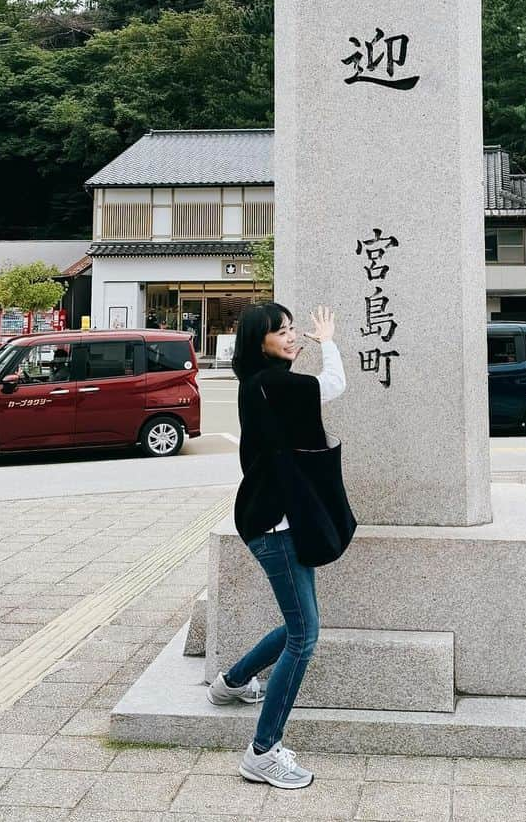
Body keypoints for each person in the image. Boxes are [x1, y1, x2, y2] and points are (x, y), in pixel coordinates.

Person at [205, 301, 344, 789]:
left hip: (269, 517)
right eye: (280, 331)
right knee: (305, 635)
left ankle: (232, 682)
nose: (291, 336)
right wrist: (328, 339)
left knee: (299, 624)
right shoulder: (273, 383)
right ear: (257, 340)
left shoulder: (260, 382)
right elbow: (333, 386)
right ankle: (263, 752)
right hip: (274, 525)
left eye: (292, 330)